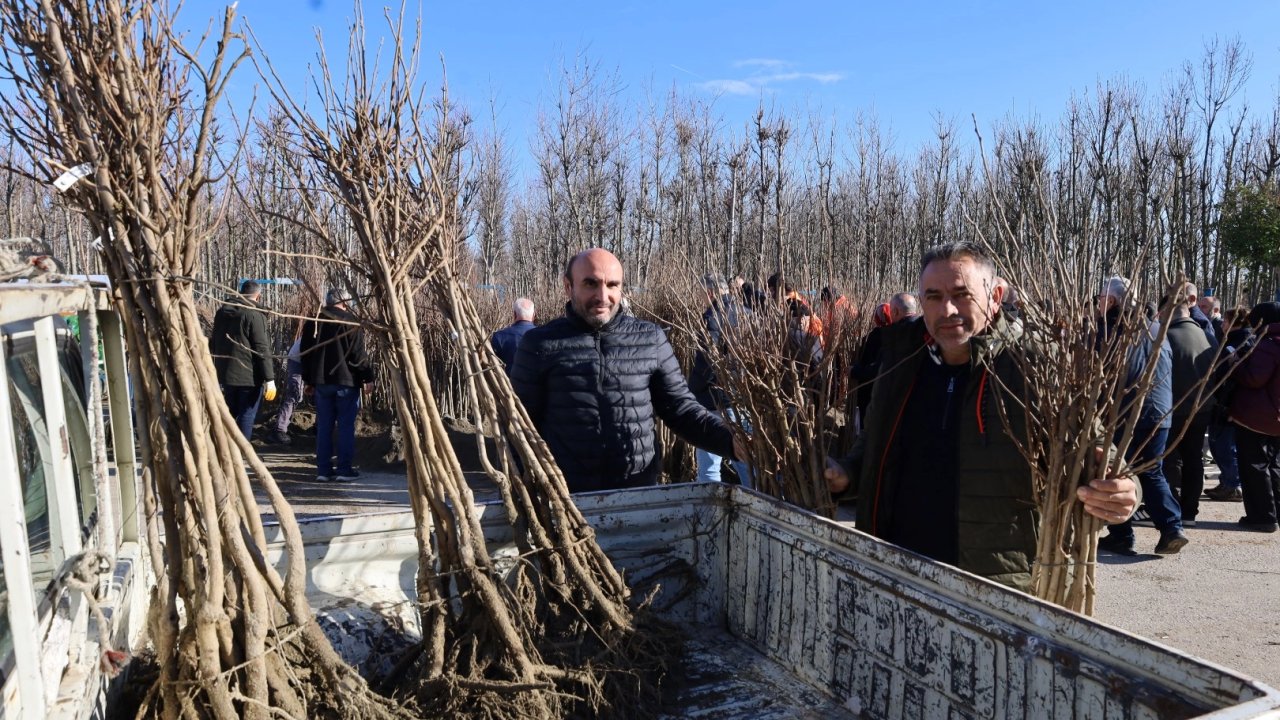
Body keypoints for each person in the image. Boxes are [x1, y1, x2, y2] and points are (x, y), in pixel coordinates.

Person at [823, 242, 1138, 590]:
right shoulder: (900, 359)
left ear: (997, 294)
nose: (948, 309)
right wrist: (847, 474)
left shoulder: (1036, 367)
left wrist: (1124, 490)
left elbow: (1097, 452)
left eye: (962, 294)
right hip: (895, 573)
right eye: (933, 296)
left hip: (993, 587)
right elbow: (875, 442)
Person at [511, 248, 746, 493]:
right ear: (568, 287)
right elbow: (519, 427)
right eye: (591, 284)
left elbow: (681, 409)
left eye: (612, 285)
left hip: (637, 495)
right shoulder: (539, 345)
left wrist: (730, 442)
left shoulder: (649, 340)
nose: (603, 296)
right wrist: (529, 490)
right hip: (568, 498)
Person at [1095, 276, 1188, 556]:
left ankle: (1122, 534)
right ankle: (1172, 527)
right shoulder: (1155, 328)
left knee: (1116, 472)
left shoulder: (1113, 330)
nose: (1097, 303)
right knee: (1151, 471)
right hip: (1159, 411)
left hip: (1126, 411)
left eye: (1100, 298)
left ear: (1111, 300)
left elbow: (1107, 376)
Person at [300, 287, 374, 482]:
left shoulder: (314, 321)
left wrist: (308, 380)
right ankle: (344, 469)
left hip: (321, 381)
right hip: (346, 381)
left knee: (324, 426)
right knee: (345, 426)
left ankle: (323, 470)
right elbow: (358, 354)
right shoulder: (350, 322)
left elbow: (305, 354)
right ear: (345, 302)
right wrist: (367, 377)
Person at [689, 273, 752, 487]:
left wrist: (693, 389)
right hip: (744, 397)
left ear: (710, 292)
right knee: (744, 458)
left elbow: (707, 361)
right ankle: (756, 504)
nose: (700, 299)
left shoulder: (712, 317)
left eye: (701, 294)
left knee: (708, 463)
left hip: (716, 398)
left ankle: (709, 513)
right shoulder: (749, 314)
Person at [1163, 287, 1215, 527]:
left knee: (1170, 460)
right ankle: (1190, 511)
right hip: (1201, 408)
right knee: (1194, 459)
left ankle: (1171, 509)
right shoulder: (1208, 335)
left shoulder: (1166, 338)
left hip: (1173, 407)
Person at [1226, 302, 1280, 532]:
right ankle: (1275, 511)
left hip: (1258, 416)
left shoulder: (1268, 345)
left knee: (1254, 467)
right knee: (1275, 465)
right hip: (1275, 416)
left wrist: (1235, 364)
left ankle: (1262, 517)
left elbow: (1255, 378)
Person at [209, 279, 275, 441]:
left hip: (225, 374)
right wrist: (270, 378)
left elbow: (213, 342)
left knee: (230, 412)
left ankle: (225, 448)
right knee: (247, 414)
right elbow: (261, 347)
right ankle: (241, 452)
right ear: (258, 296)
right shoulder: (254, 315)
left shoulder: (222, 313)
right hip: (249, 376)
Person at [1206, 307, 1251, 501]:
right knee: (1222, 445)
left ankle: (1233, 485)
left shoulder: (1239, 343)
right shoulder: (1240, 340)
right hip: (1229, 401)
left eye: (1226, 320)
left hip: (1229, 402)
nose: (1222, 324)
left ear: (1236, 322)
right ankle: (1228, 482)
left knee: (1224, 446)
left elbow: (1230, 375)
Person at [265, 321, 306, 445]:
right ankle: (279, 430)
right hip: (297, 360)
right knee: (295, 395)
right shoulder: (319, 328)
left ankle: (282, 426)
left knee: (297, 396)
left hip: (303, 359)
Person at [490, 298, 536, 372]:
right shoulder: (544, 336)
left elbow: (493, 365)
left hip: (505, 382)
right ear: (534, 315)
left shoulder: (499, 337)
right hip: (538, 383)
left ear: (514, 314)